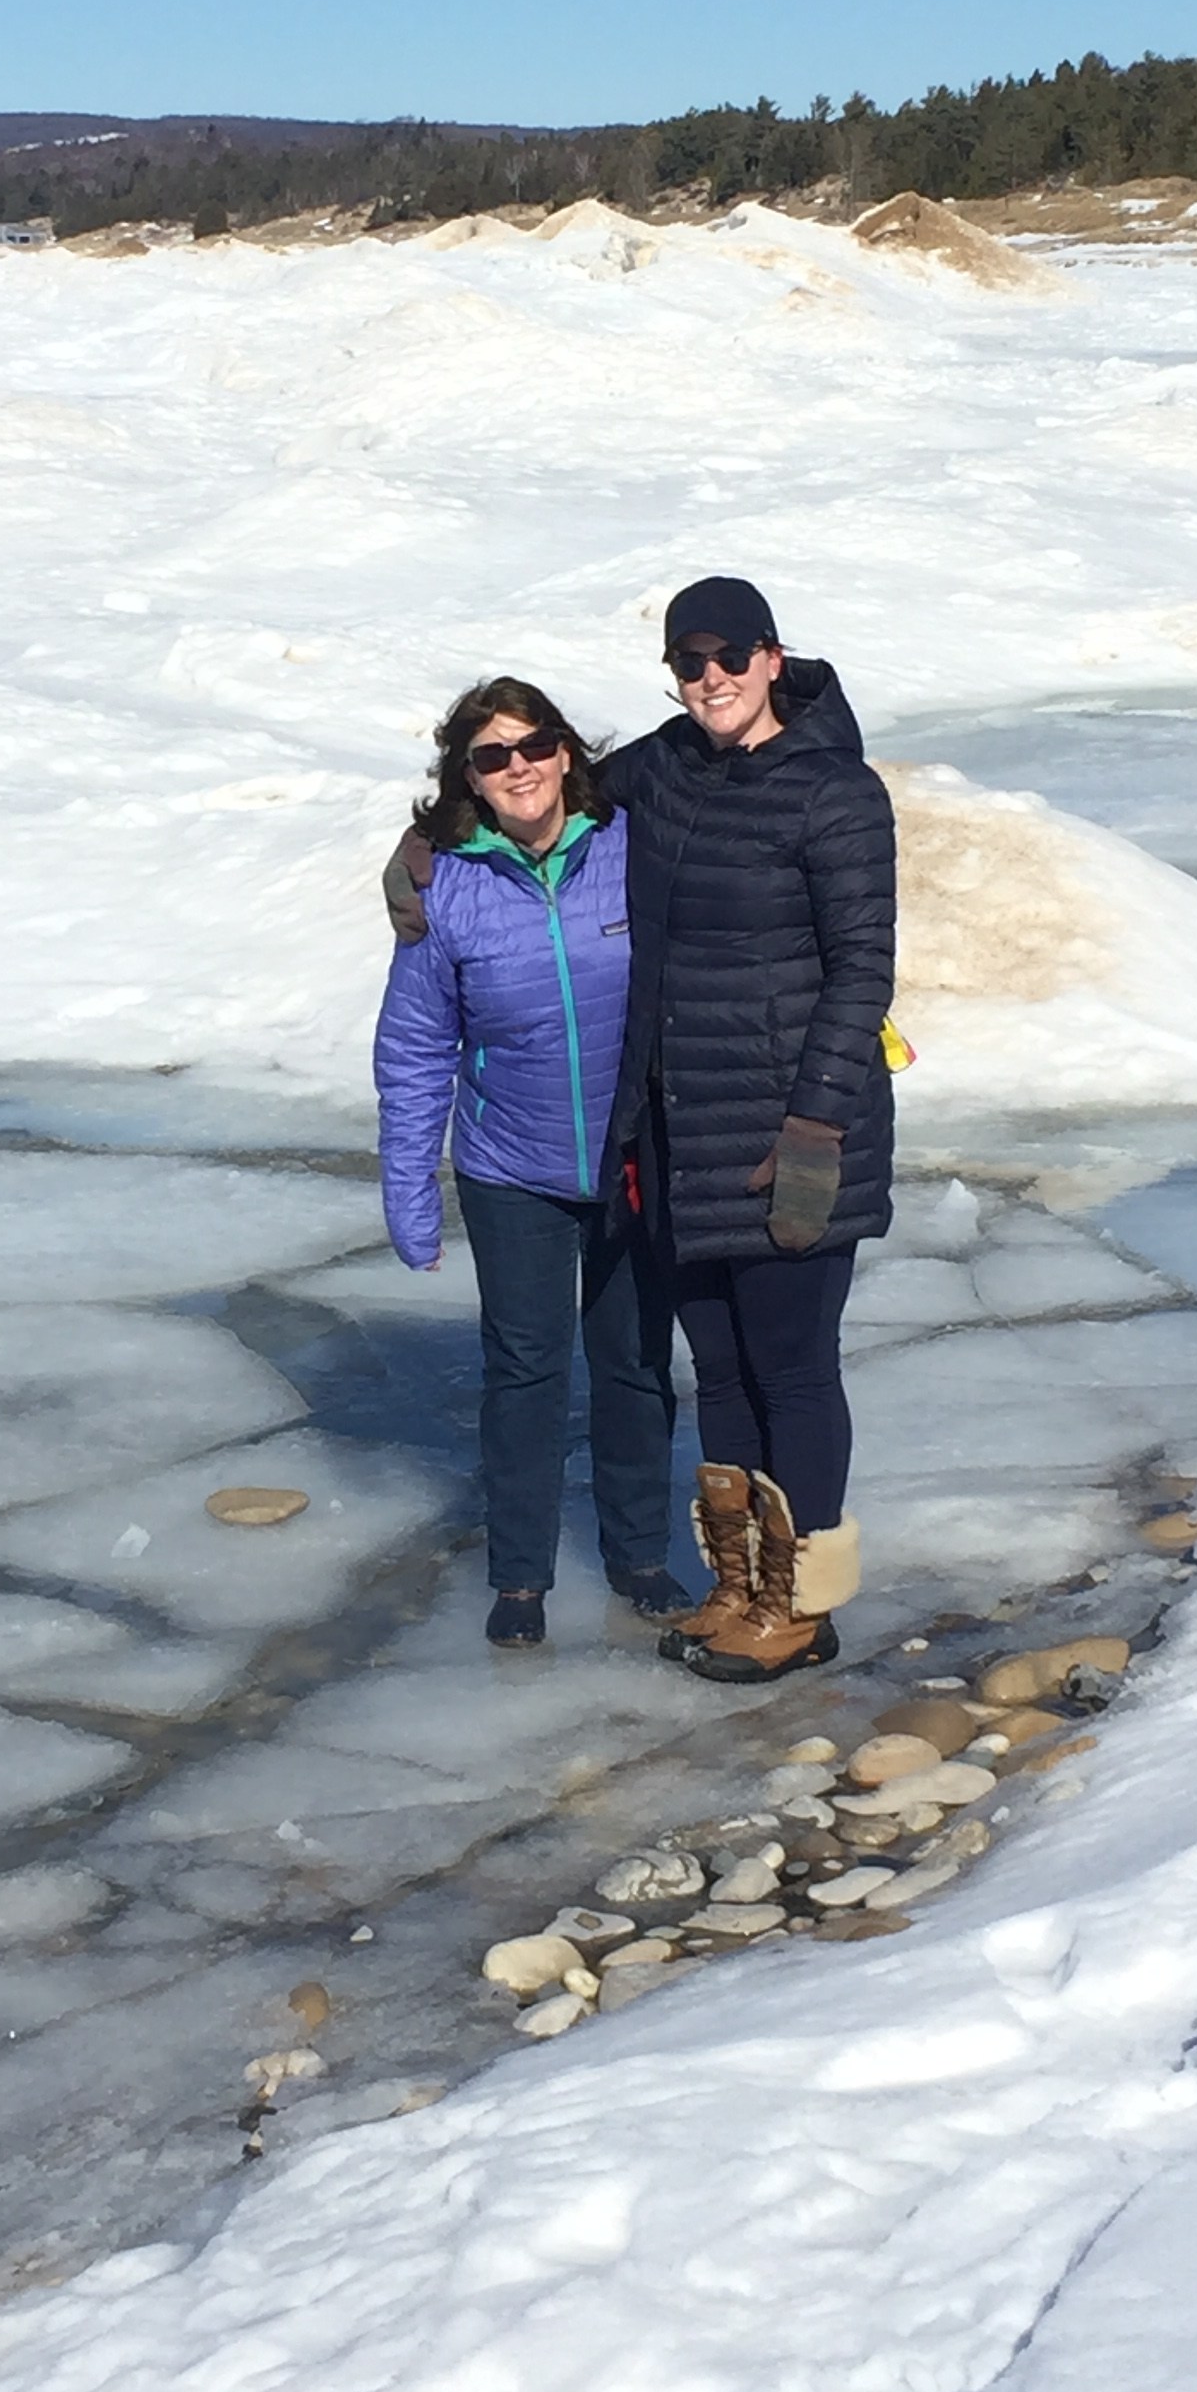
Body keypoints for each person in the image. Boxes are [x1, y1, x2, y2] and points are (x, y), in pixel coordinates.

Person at [387, 579, 897, 1683]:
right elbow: (535, 790)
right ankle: (743, 1589)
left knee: (793, 1369)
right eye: (688, 661)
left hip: (795, 1128)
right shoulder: (664, 769)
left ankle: (802, 1608)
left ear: (772, 659)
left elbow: (865, 970)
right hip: (685, 1132)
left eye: (730, 657)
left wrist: (816, 1121)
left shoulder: (836, 793)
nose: (710, 679)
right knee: (718, 1370)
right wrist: (428, 842)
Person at [374, 677, 691, 1649]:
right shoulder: (449, 888)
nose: (519, 768)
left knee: (634, 1366)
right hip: (513, 1169)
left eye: (534, 746)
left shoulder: (631, 847)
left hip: (634, 1155)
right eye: (492, 756)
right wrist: (409, 1195)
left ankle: (639, 1557)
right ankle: (520, 1578)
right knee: (525, 1373)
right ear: (466, 776)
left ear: (566, 753)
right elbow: (416, 1048)